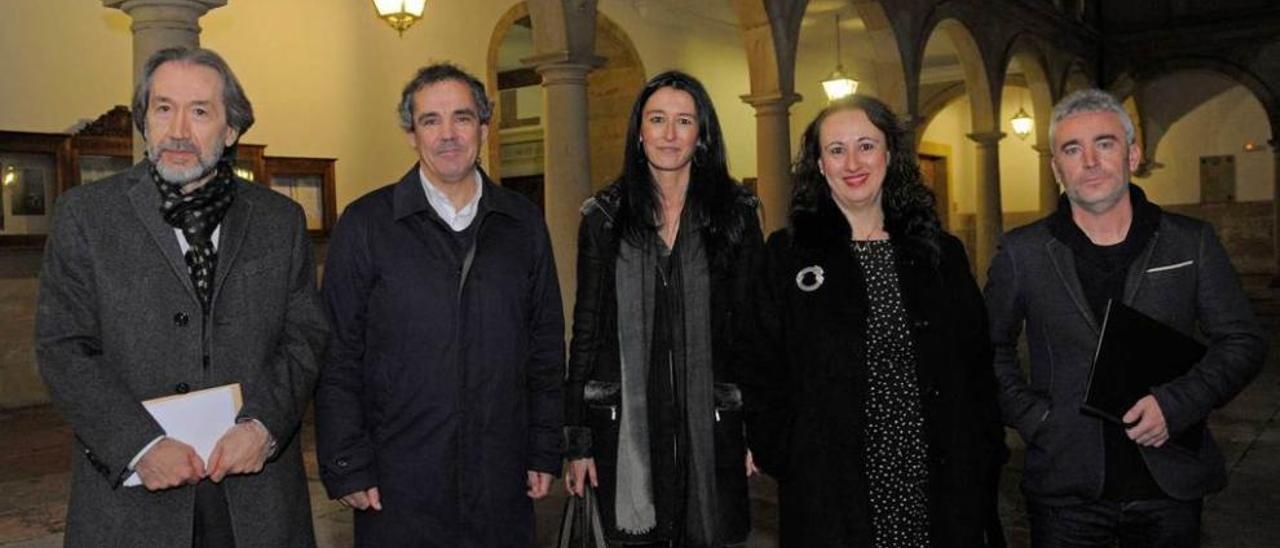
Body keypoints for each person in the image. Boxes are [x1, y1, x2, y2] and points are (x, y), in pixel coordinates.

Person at [35, 46, 327, 547]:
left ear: (231, 129)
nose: (178, 131)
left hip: (256, 495)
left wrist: (264, 426)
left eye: (199, 112)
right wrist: (138, 445)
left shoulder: (279, 221)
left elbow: (304, 336)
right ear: (145, 123)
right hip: (132, 499)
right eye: (163, 108)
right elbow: (63, 348)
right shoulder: (86, 217)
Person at [985, 89, 1268, 547]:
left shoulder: (1189, 242)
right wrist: (1037, 418)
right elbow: (985, 349)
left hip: (1168, 487)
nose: (1090, 161)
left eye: (1105, 143)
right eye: (1072, 150)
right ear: (1057, 169)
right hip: (1065, 494)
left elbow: (1242, 342)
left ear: (1133, 154)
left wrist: (1177, 404)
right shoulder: (1023, 252)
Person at [738, 95, 1006, 547]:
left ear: (889, 154)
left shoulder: (941, 253)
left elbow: (977, 365)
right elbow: (759, 362)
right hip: (830, 486)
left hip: (934, 478)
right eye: (836, 150)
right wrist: (787, 452)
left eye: (866, 145)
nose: (852, 162)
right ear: (820, 165)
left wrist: (981, 454)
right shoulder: (786, 256)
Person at [315, 63, 565, 547]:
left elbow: (546, 345)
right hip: (397, 480)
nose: (447, 134)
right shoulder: (367, 223)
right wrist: (346, 462)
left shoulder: (522, 224)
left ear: (485, 128)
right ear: (411, 134)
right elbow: (338, 352)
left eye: (462, 118)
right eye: (431, 120)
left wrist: (544, 447)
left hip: (500, 475)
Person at [562, 70, 762, 548]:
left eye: (684, 121)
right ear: (639, 131)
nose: (670, 135)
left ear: (702, 134)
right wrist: (577, 440)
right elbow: (586, 328)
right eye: (657, 119)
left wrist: (755, 428)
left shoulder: (735, 213)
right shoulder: (604, 218)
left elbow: (753, 329)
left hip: (711, 422)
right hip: (624, 426)